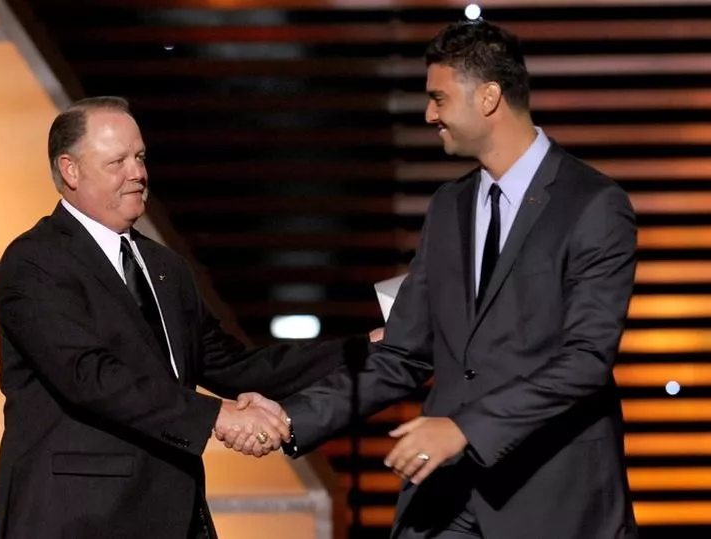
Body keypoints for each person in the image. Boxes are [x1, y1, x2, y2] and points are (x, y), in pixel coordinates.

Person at [228, 21, 639, 539]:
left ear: (489, 97)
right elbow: (402, 353)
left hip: (553, 498)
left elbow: (586, 359)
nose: (429, 114)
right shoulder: (449, 207)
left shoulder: (593, 205)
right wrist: (291, 418)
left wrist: (466, 429)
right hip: (446, 499)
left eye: (438, 98)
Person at [0, 96, 374, 539]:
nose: (137, 173)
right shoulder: (36, 262)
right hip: (75, 520)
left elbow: (234, 367)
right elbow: (89, 377)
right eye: (117, 161)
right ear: (71, 170)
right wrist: (217, 417)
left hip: (173, 515)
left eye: (140, 157)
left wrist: (364, 348)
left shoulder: (165, 268)